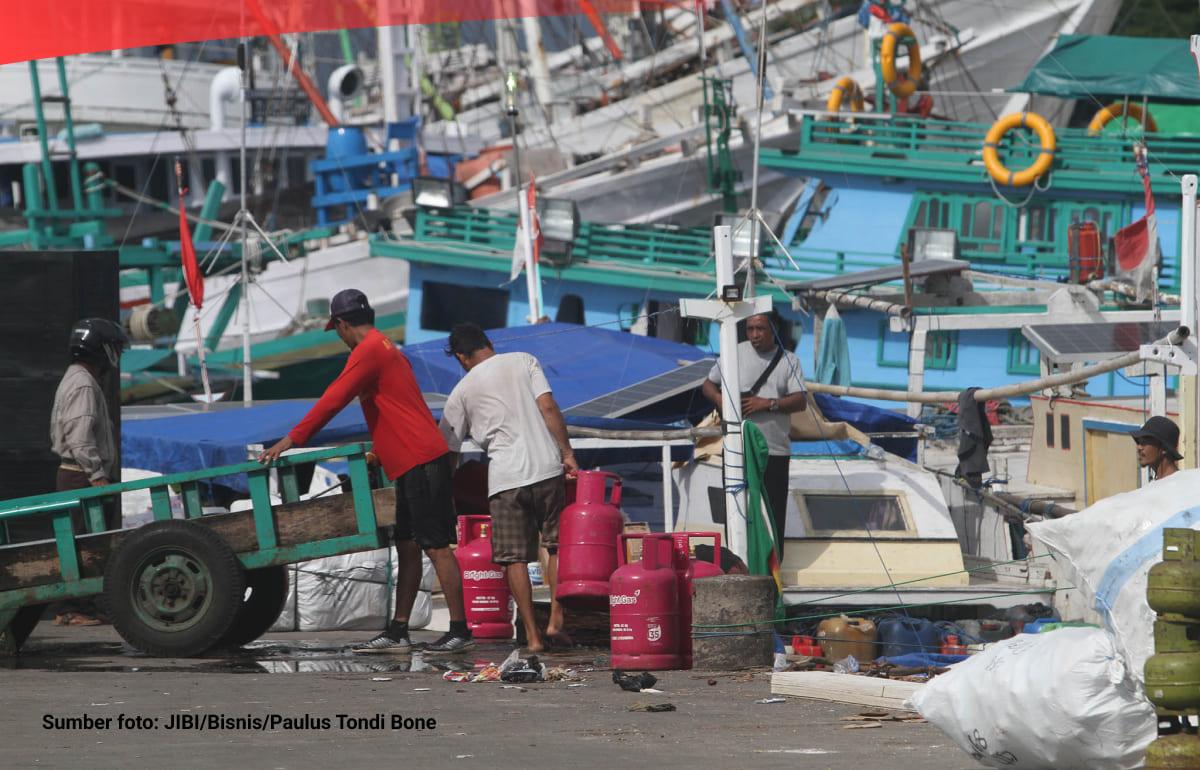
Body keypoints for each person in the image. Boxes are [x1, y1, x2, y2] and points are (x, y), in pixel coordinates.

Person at [258, 290, 472, 654]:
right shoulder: (386, 345)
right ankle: (398, 629)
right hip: (411, 461)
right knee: (406, 545)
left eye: (336, 330)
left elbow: (333, 399)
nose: (339, 337)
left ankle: (459, 629)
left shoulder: (369, 350)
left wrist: (291, 439)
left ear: (342, 324)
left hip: (421, 460)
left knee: (435, 546)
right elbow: (397, 408)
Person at [439, 322, 579, 653]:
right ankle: (556, 622)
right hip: (546, 467)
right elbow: (548, 407)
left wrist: (445, 488)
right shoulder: (523, 360)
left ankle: (532, 637)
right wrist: (567, 453)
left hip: (504, 480)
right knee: (556, 546)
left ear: (461, 357)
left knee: (513, 559)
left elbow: (449, 451)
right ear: (488, 343)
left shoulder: (460, 392)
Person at [701, 312, 807, 557]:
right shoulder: (734, 351)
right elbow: (707, 384)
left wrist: (767, 404)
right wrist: (721, 401)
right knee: (736, 506)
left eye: (760, 329)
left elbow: (800, 401)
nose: (755, 335)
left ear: (774, 330)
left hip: (774, 450)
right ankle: (738, 561)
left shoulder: (789, 360)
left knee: (772, 511)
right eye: (750, 329)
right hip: (737, 449)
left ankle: (773, 568)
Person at [47, 317, 128, 625]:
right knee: (85, 543)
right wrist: (97, 475)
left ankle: (78, 607)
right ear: (102, 349)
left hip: (77, 475)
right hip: (81, 476)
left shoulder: (77, 377)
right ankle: (75, 608)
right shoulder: (82, 383)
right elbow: (80, 437)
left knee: (81, 541)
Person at [1132, 415, 1182, 481]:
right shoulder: (1154, 487)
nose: (1139, 447)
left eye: (1144, 442)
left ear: (1164, 448)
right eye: (1138, 442)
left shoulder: (1181, 485)